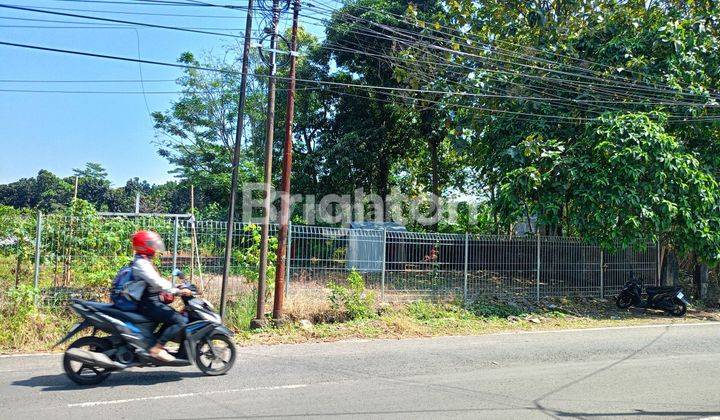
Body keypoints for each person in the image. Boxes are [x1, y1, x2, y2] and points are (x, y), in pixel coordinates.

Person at [130, 230, 192, 362]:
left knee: (171, 317)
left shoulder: (143, 260)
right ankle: (157, 349)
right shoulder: (142, 263)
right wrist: (176, 290)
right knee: (179, 321)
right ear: (144, 246)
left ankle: (154, 344)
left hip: (150, 300)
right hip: (148, 303)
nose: (155, 248)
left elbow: (155, 282)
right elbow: (156, 282)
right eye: (151, 244)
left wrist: (175, 287)